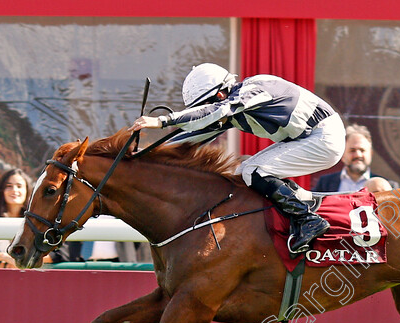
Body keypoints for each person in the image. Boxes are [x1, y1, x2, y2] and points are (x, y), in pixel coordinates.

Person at [130, 63, 345, 254]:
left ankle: (308, 219)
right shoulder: (230, 106)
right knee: (244, 171)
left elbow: (216, 111)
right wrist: (146, 158)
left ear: (221, 93)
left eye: (207, 103)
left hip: (324, 137)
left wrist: (163, 121)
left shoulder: (253, 90)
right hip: (307, 137)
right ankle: (295, 213)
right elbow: (191, 138)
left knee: (252, 171)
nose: (206, 109)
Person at [0, 169, 72, 267]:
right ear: (1, 191)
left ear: (27, 190)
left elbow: (60, 254)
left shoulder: (40, 220)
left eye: (19, 186)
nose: (14, 190)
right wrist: (3, 257)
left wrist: (21, 261)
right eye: (9, 186)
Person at [313, 124, 398, 193]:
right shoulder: (324, 184)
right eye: (352, 150)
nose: (358, 155)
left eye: (362, 150)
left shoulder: (389, 186)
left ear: (371, 154)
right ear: (342, 155)